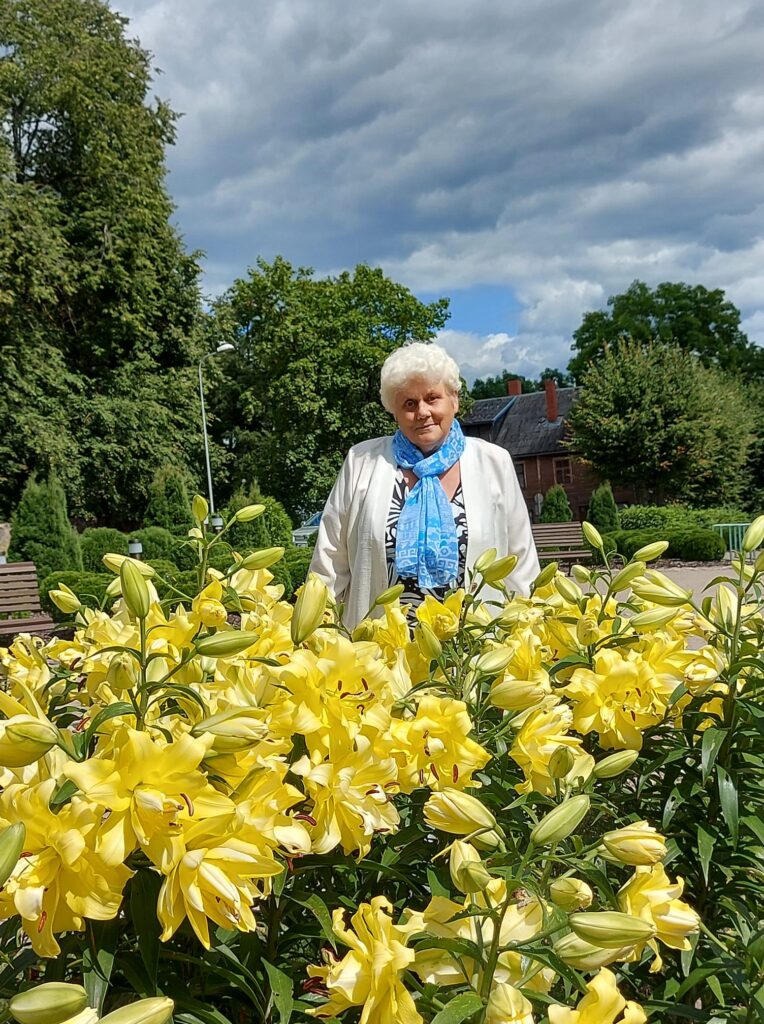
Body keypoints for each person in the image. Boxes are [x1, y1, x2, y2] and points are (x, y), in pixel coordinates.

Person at [310, 342, 540, 628]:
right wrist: (318, 630)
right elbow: (330, 560)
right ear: (393, 410)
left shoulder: (494, 462)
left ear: (454, 400)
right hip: (378, 654)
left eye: (432, 398)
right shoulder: (361, 461)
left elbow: (521, 563)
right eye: (409, 403)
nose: (422, 412)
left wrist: (529, 633)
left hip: (472, 655)